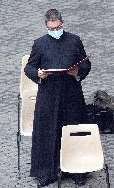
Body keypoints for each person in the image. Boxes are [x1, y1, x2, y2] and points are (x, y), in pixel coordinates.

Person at [24, 9, 91, 187]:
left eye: (58, 27)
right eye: (52, 28)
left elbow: (86, 63)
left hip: (71, 94)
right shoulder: (39, 44)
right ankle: (47, 172)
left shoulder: (74, 40)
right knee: (48, 133)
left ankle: (77, 170)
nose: (56, 30)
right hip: (49, 95)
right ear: (46, 25)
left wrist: (78, 71)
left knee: (75, 130)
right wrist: (38, 73)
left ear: (62, 22)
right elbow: (29, 68)